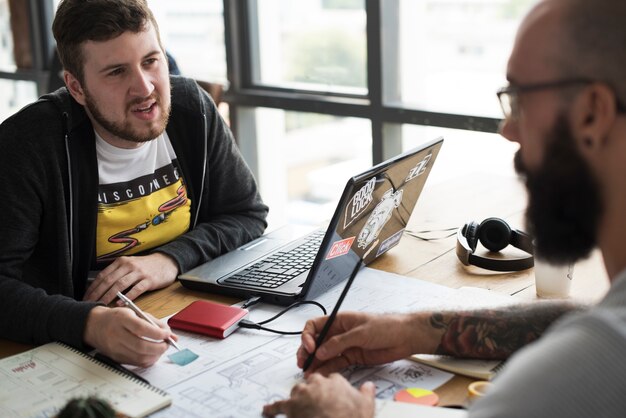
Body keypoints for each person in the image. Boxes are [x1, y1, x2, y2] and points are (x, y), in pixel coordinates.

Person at [263, 0, 626, 416]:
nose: (508, 130)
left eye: (521, 99)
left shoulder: (579, 375)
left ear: (592, 113)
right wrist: (412, 331)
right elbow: (590, 315)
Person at [0, 0, 268, 368]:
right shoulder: (27, 144)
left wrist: (170, 259)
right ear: (76, 87)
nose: (144, 88)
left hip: (178, 315)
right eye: (116, 72)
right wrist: (89, 324)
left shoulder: (192, 110)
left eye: (150, 61)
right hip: (68, 350)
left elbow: (246, 215)